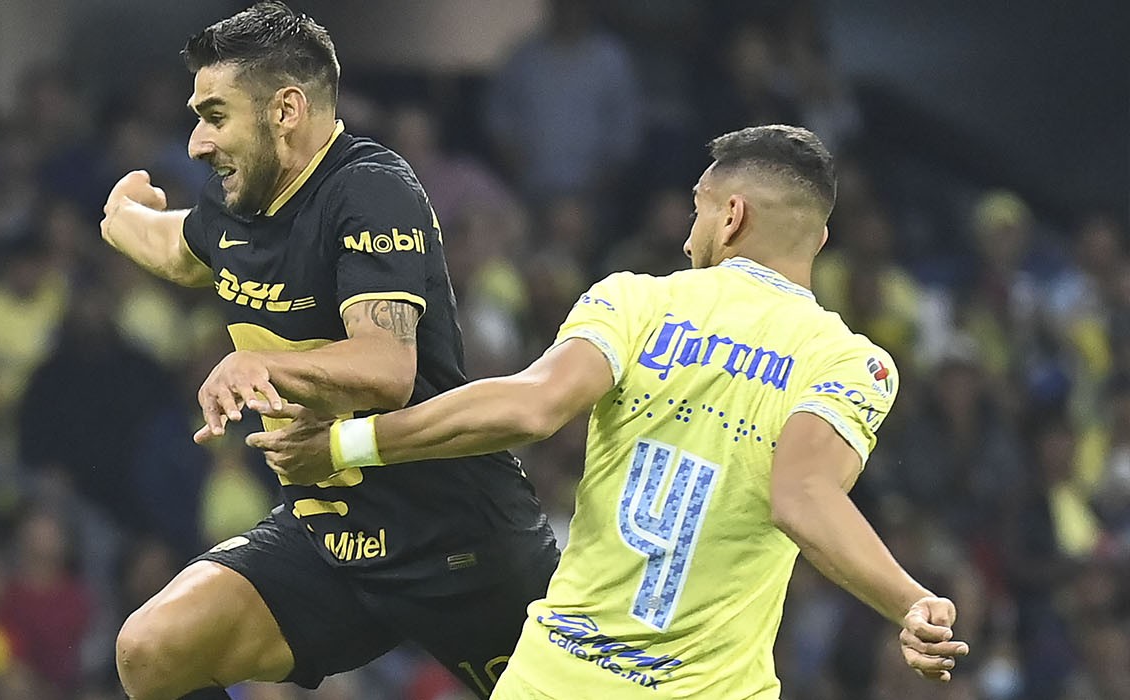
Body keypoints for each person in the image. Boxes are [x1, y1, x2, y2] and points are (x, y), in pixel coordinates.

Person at [247, 125, 970, 698]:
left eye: (697, 210)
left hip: (555, 679)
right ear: (819, 239)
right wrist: (909, 601)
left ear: (732, 215)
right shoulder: (851, 362)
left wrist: (345, 444)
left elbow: (531, 406)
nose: (687, 236)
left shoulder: (637, 300)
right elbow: (802, 495)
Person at [100, 3, 558, 698]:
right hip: (330, 539)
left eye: (215, 116)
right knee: (153, 649)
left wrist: (261, 365)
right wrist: (122, 216)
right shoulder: (236, 204)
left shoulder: (370, 190)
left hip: (456, 539)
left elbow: (386, 370)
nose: (196, 143)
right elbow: (180, 249)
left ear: (285, 110)